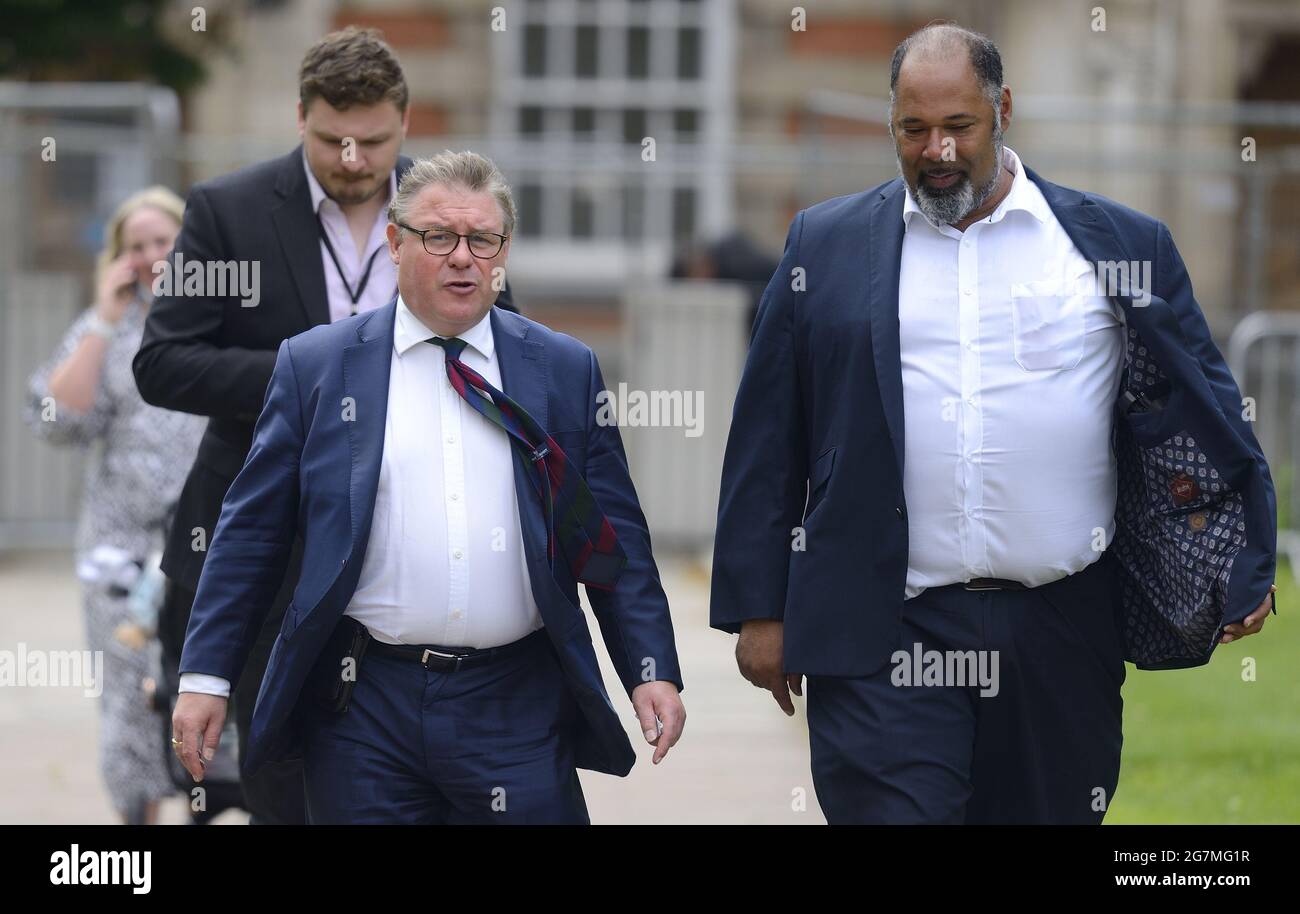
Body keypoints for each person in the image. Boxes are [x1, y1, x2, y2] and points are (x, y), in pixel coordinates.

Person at [711, 23, 1278, 824]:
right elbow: (768, 433)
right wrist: (759, 610)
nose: (936, 150)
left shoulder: (1115, 246)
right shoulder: (826, 246)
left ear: (1002, 110)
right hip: (888, 629)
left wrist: (1245, 561)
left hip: (1058, 630)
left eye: (958, 127)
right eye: (914, 129)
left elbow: (1206, 407)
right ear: (892, 125)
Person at [170, 151, 686, 824]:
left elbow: (611, 539)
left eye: (483, 240)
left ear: (504, 250)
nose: (462, 258)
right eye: (438, 237)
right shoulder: (319, 367)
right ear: (394, 242)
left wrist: (651, 668)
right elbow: (251, 535)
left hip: (517, 703)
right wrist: (207, 676)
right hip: (363, 704)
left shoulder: (561, 369)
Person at [132, 27, 518, 824]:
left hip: (414, 544)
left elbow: (504, 350)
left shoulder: (452, 214)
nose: (351, 159)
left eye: (372, 142)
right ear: (298, 115)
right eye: (330, 139)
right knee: (279, 775)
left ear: (404, 125)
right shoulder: (226, 211)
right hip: (268, 541)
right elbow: (162, 362)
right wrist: (316, 375)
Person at [25, 186, 205, 824]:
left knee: (206, 690)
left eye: (164, 242)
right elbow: (56, 420)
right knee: (129, 702)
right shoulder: (111, 326)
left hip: (208, 543)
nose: (152, 257)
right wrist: (103, 317)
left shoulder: (220, 319)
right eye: (137, 247)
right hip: (121, 551)